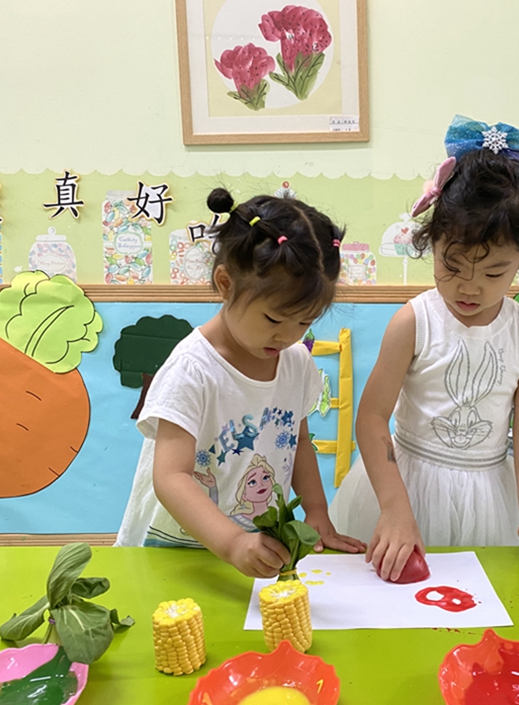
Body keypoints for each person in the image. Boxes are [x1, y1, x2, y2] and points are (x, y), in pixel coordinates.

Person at [329, 115, 519, 580]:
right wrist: (395, 509)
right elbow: (372, 417)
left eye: (494, 272)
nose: (470, 287)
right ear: (433, 242)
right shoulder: (414, 321)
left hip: (487, 497)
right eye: (452, 265)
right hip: (404, 487)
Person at [116, 188, 364, 578]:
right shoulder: (192, 369)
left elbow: (298, 441)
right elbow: (170, 477)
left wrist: (317, 511)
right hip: (175, 551)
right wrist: (231, 542)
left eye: (305, 322)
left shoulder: (295, 362)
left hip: (251, 549)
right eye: (273, 319)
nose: (288, 336)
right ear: (226, 284)